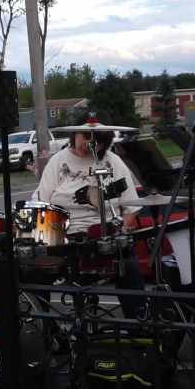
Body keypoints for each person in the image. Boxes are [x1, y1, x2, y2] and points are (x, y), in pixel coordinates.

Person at [32, 110, 146, 318]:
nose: (91, 143)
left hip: (104, 238)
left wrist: (120, 231)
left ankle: (138, 324)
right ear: (74, 133)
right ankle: (46, 329)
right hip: (65, 240)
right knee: (32, 271)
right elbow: (40, 203)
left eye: (99, 140)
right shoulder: (58, 161)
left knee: (129, 267)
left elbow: (131, 206)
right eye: (86, 136)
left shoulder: (114, 162)